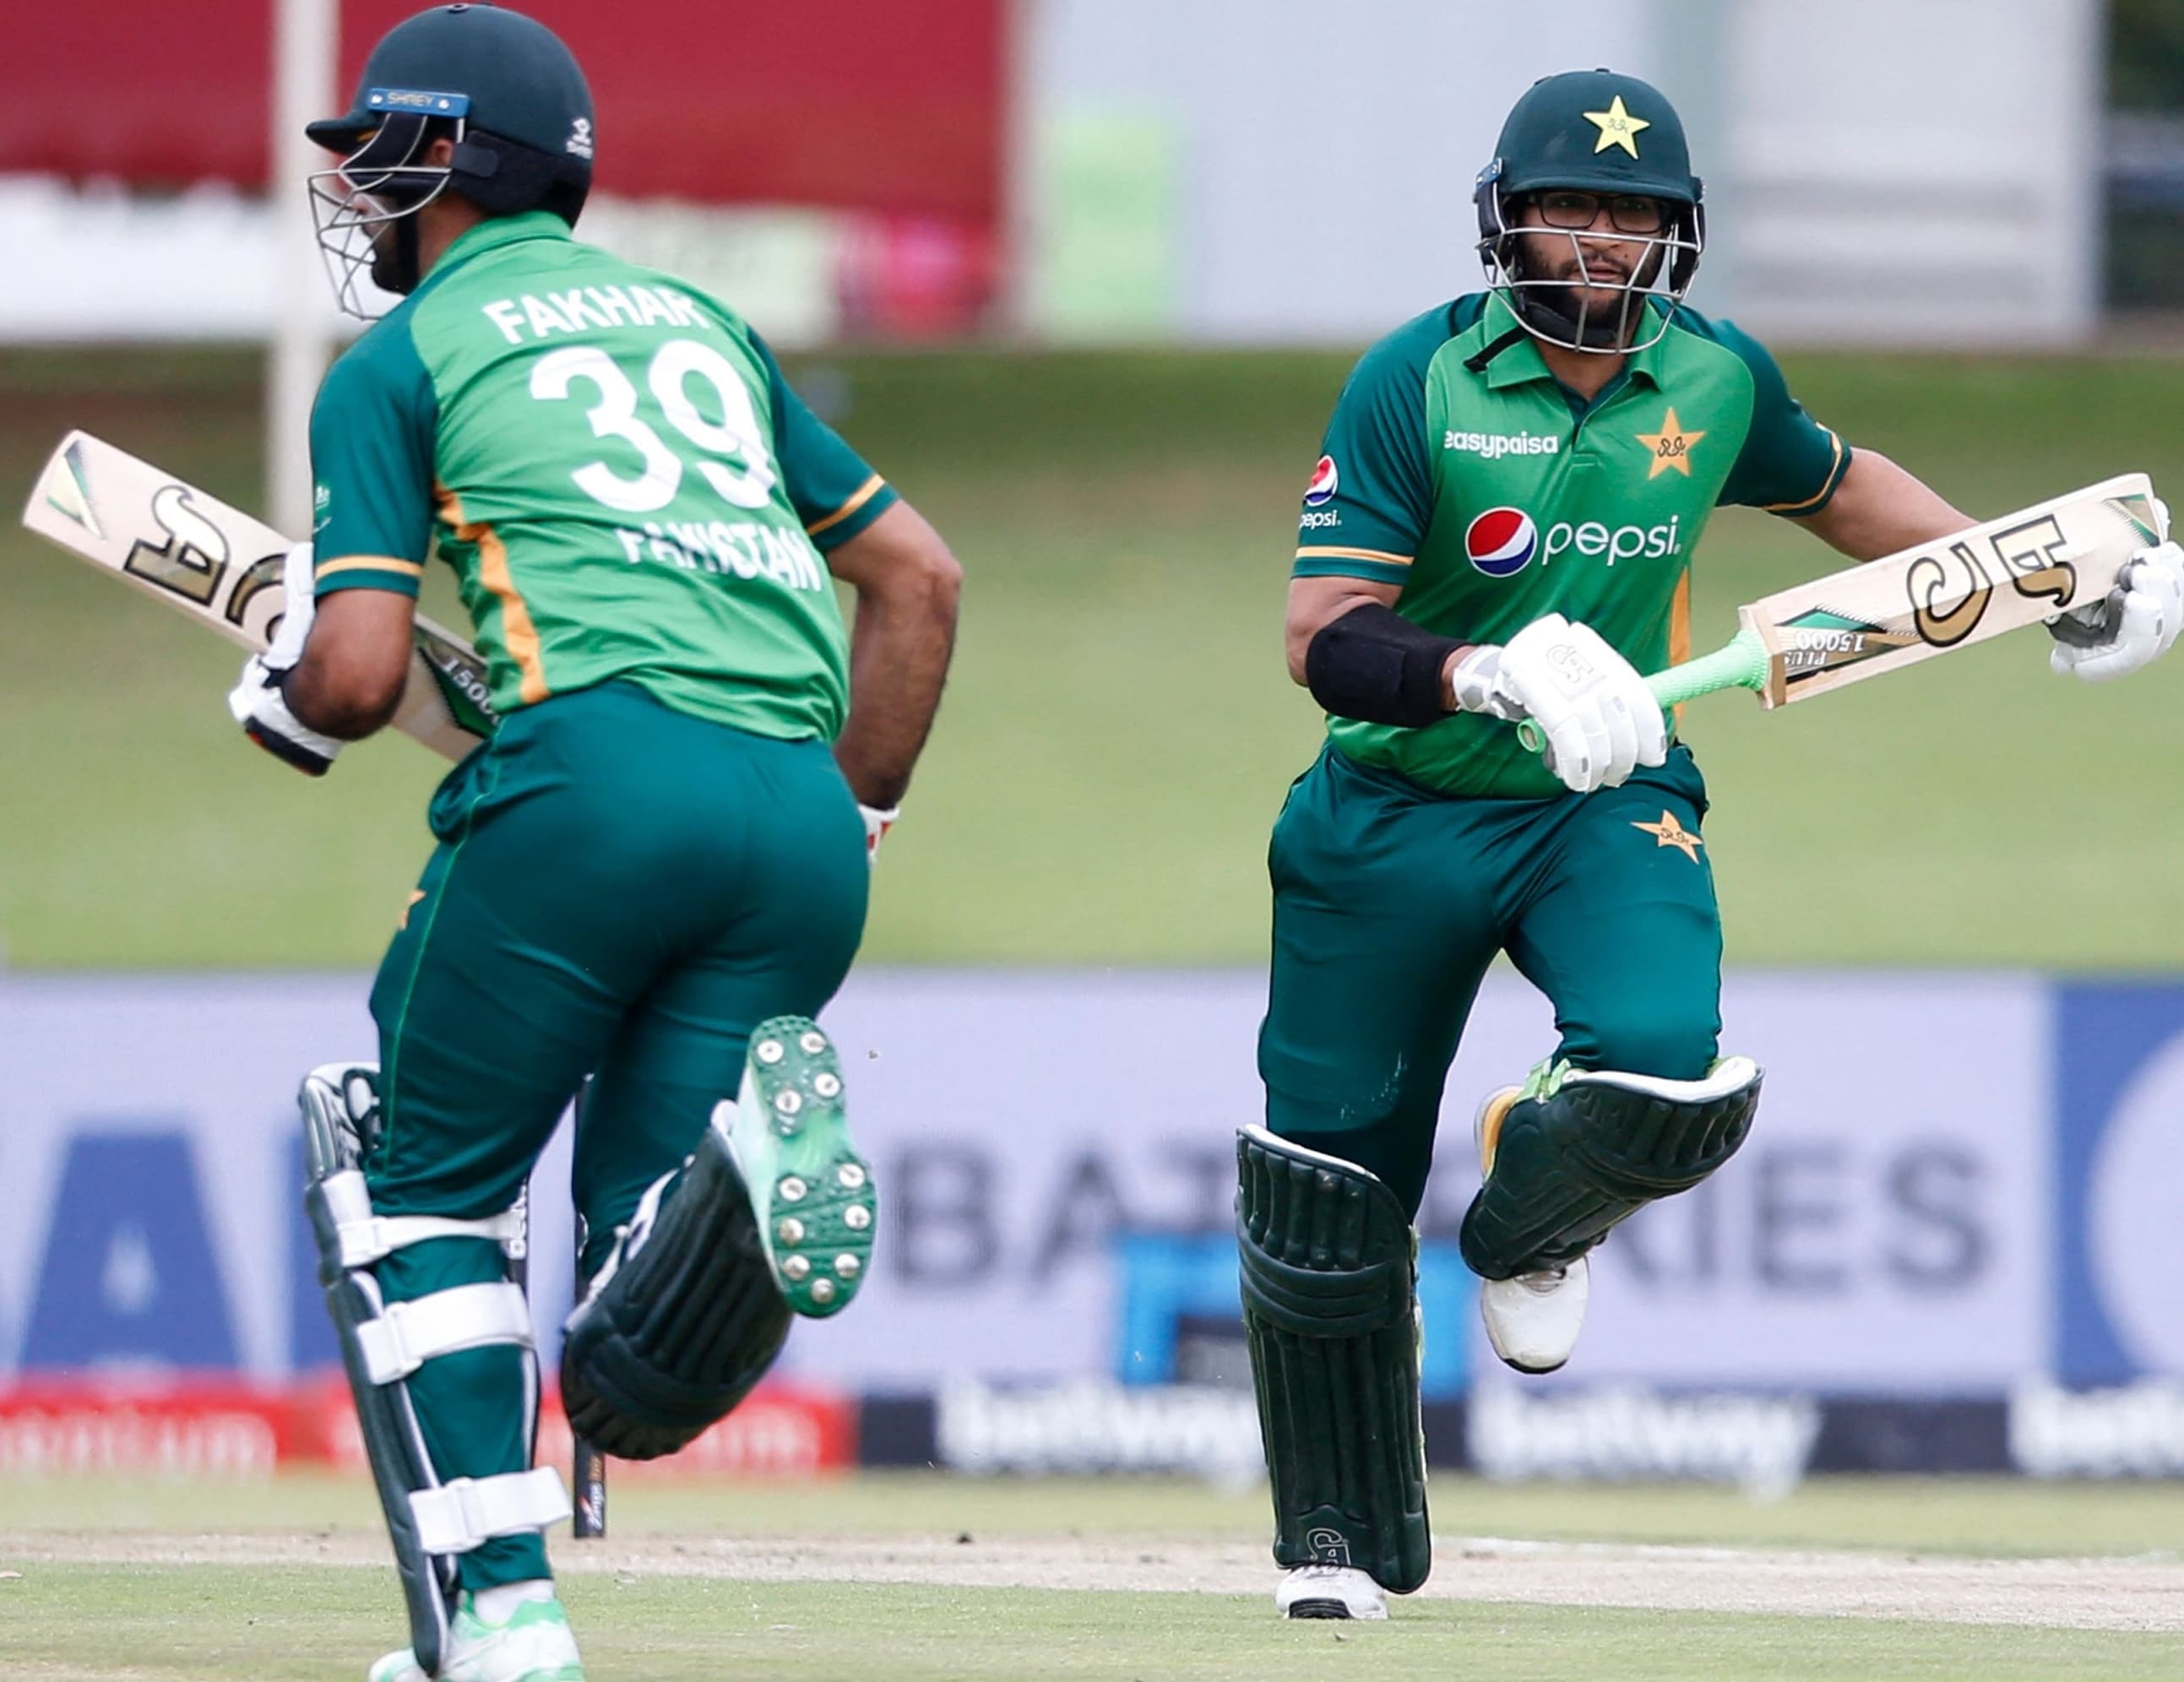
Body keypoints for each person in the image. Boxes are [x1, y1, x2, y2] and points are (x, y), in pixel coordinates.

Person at [1238, 67, 2184, 1622]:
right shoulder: (1413, 381)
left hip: (1603, 799)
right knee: (1329, 1185)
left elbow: (1842, 491)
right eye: (1569, 210)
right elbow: (1319, 635)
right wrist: (1484, 670)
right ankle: (1334, 1539)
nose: (1599, 243)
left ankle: (1529, 1216)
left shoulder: (1714, 380)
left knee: (1670, 1074)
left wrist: (2049, 579)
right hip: (1392, 805)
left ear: (1675, 237)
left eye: (1632, 217)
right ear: (1507, 221)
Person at [234, 8, 962, 1678]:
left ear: (441, 160)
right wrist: (853, 816)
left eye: (378, 162)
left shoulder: (397, 368)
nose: (360, 201)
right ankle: (729, 1190)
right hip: (795, 816)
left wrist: (284, 689)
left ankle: (495, 1629)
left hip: (588, 793)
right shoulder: (703, 328)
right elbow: (920, 577)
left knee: (410, 1191)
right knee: (628, 1333)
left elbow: (354, 677)